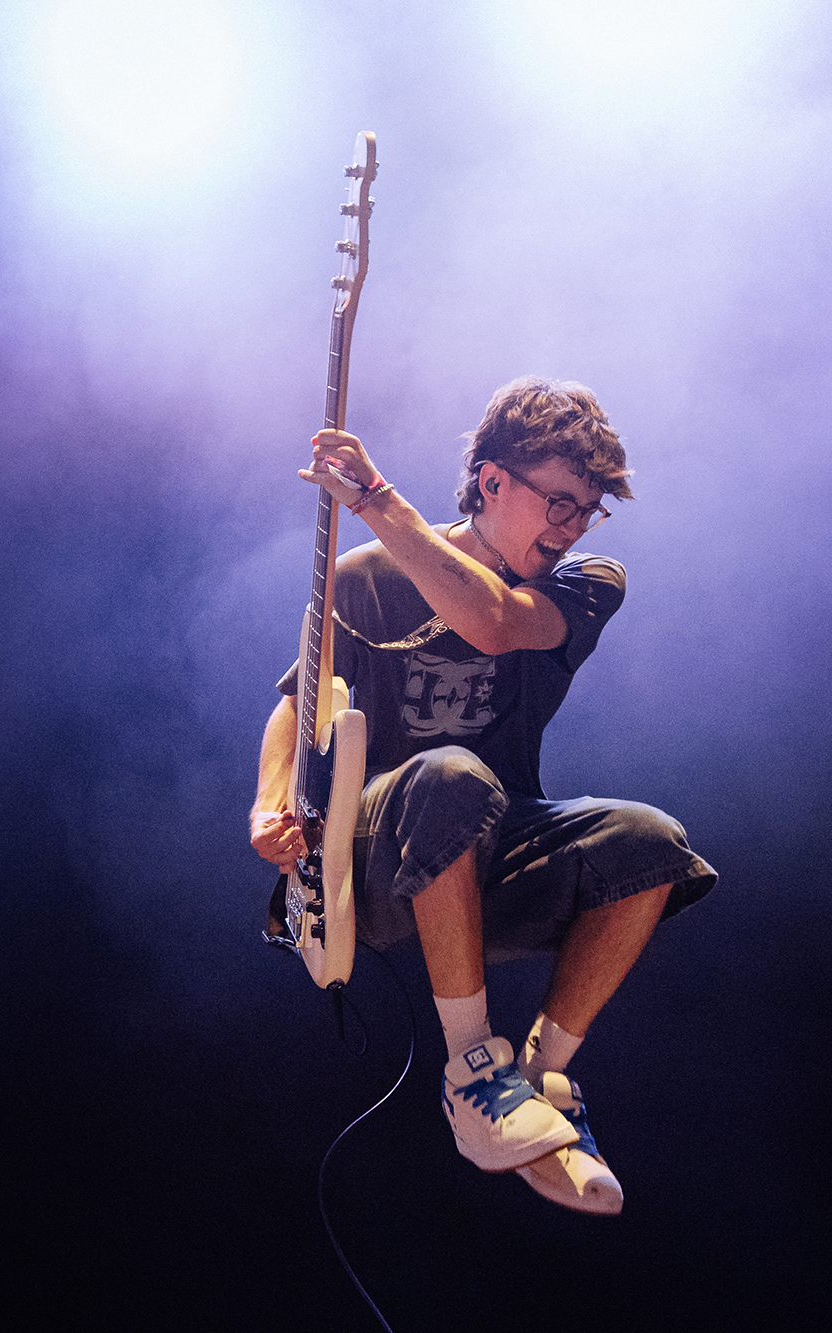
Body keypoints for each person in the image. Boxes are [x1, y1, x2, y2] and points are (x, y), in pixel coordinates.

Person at [250, 376, 717, 1215]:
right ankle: (471, 1068)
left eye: (588, 510)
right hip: (372, 863)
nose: (571, 527)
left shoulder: (587, 582)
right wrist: (268, 807)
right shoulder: (365, 577)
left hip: (486, 858)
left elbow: (494, 622)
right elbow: (297, 702)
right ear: (493, 480)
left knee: (652, 840)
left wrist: (378, 500)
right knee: (451, 774)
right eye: (559, 502)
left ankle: (536, 1084)